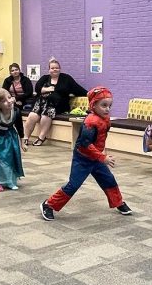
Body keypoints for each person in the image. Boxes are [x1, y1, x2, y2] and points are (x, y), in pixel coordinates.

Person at [40, 86, 132, 221]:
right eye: (104, 105)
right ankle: (49, 205)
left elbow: (99, 139)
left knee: (109, 180)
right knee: (73, 185)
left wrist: (101, 155)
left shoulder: (105, 119)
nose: (107, 109)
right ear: (93, 105)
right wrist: (103, 157)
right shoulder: (90, 122)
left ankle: (118, 202)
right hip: (83, 159)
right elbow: (85, 144)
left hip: (96, 158)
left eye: (109, 105)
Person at [23, 57, 87, 147]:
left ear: (59, 69)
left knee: (46, 114)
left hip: (58, 105)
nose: (55, 69)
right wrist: (47, 89)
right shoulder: (45, 78)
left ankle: (41, 137)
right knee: (32, 116)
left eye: (56, 68)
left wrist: (89, 94)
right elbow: (37, 88)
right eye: (52, 68)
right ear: (49, 70)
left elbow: (77, 88)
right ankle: (26, 137)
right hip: (41, 103)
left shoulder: (66, 78)